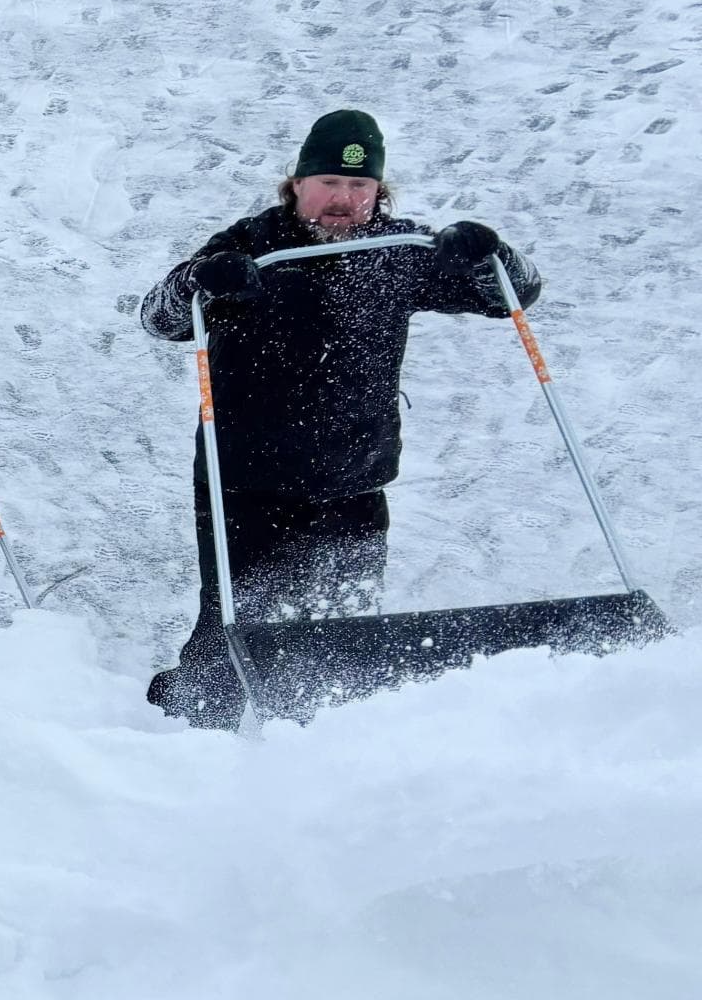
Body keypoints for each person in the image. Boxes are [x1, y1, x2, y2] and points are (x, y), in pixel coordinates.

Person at [138, 107, 542, 720]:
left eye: (360, 186)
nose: (343, 199)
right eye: (329, 182)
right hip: (246, 481)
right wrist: (201, 280)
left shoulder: (398, 250)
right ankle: (194, 722)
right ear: (297, 183)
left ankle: (320, 737)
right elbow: (159, 316)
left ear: (378, 191)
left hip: (355, 477)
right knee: (233, 620)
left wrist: (493, 255)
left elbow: (514, 295)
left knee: (341, 624)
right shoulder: (250, 246)